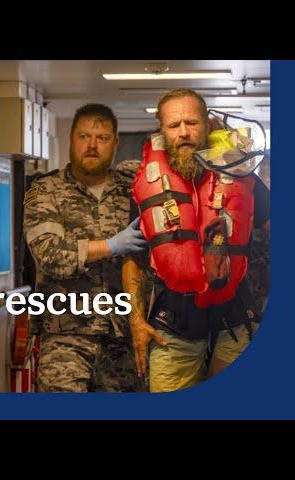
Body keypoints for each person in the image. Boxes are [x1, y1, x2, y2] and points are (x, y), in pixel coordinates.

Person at [123, 89, 270, 392]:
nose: (184, 133)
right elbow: (132, 258)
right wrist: (137, 321)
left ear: (207, 123)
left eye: (192, 123)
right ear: (162, 132)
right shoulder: (146, 186)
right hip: (173, 328)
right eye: (174, 126)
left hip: (235, 322)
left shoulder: (242, 177)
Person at [23, 103, 147, 392]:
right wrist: (112, 246)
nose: (92, 145)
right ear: (71, 139)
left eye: (102, 138)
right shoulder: (45, 191)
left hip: (123, 338)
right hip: (65, 336)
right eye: (84, 137)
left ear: (115, 143)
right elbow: (50, 255)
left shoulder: (133, 189)